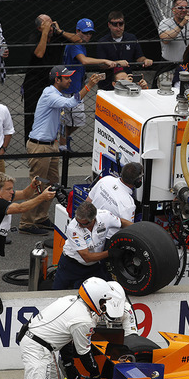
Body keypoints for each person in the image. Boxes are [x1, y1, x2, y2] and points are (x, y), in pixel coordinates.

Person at [20, 65, 103, 235]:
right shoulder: (50, 94)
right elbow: (71, 103)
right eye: (66, 78)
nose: (70, 80)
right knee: (37, 185)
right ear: (57, 80)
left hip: (50, 144)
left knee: (51, 183)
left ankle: (41, 218)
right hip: (40, 146)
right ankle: (26, 222)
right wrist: (89, 85)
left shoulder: (55, 94)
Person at [0, 173, 55, 290]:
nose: (12, 192)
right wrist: (43, 197)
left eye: (12, 188)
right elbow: (21, 208)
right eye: (9, 189)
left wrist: (32, 186)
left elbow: (24, 194)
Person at [21, 14, 81, 140]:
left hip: (52, 84)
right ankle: (30, 144)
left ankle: (51, 140)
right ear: (39, 28)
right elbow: (39, 53)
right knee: (32, 116)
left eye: (51, 24)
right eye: (46, 24)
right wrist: (44, 33)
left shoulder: (58, 36)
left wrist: (60, 31)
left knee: (53, 114)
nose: (51, 27)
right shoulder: (34, 37)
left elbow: (78, 40)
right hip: (34, 84)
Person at [61, 18, 117, 151]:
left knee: (75, 120)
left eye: (90, 33)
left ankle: (62, 140)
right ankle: (62, 145)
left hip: (76, 88)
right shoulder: (74, 45)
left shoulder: (80, 45)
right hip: (70, 89)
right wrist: (105, 60)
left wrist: (115, 62)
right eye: (85, 33)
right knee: (70, 120)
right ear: (77, 31)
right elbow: (84, 61)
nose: (88, 36)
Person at [52, 200, 131, 290]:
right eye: (78, 221)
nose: (80, 225)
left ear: (93, 219)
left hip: (95, 266)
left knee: (105, 291)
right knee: (57, 292)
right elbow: (87, 258)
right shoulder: (73, 228)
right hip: (71, 266)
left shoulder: (105, 216)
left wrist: (140, 230)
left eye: (83, 223)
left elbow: (122, 222)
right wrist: (109, 253)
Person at [95, 10, 153, 90]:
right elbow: (101, 65)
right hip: (107, 83)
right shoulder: (103, 41)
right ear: (109, 25)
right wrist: (117, 63)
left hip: (127, 81)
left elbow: (139, 57)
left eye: (121, 24)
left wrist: (145, 60)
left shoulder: (131, 38)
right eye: (115, 25)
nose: (118, 28)